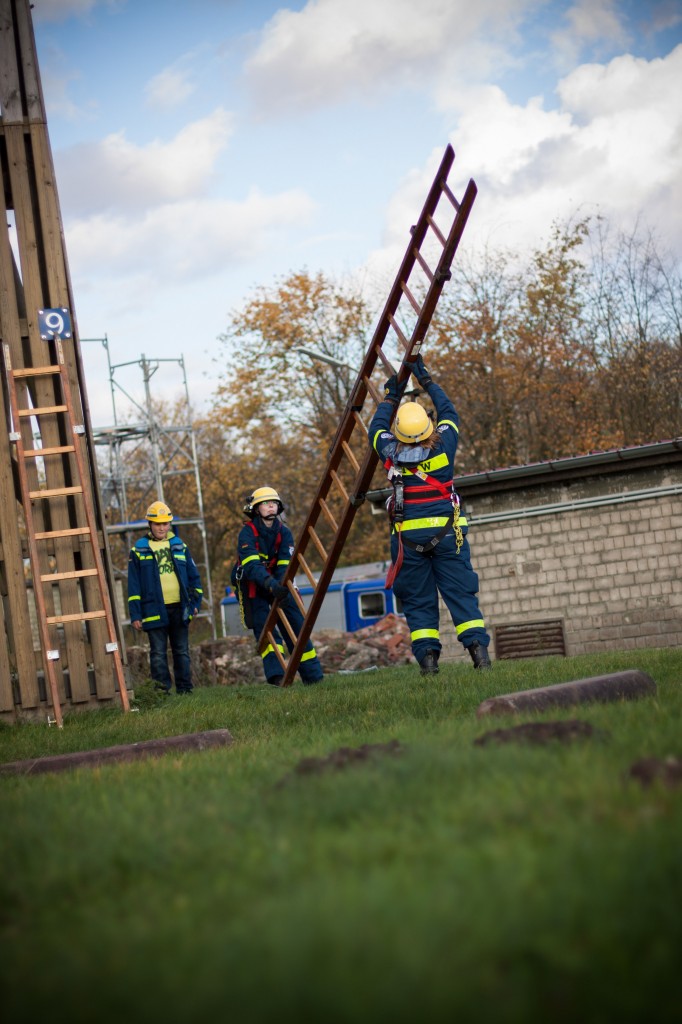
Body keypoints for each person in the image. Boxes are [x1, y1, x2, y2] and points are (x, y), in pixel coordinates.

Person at [369, 354, 492, 675]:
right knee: (461, 596)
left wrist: (391, 395)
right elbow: (450, 412)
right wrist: (427, 382)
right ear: (428, 425)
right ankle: (479, 657)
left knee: (419, 603)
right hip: (448, 536)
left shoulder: (388, 450)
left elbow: (376, 426)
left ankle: (428, 664)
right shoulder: (444, 444)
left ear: (399, 430)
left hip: (408, 542)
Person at [233, 486, 324, 686]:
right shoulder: (247, 534)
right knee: (265, 629)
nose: (271, 506)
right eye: (265, 503)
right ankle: (278, 677)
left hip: (279, 585)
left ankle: (313, 677)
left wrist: (281, 587)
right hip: (255, 586)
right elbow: (252, 567)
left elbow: (285, 565)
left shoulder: (285, 533)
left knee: (297, 625)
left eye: (274, 503)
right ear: (257, 509)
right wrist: (270, 585)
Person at [127, 500, 204, 694]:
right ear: (150, 525)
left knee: (182, 651)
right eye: (157, 524)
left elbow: (194, 577)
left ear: (169, 524)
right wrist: (135, 614)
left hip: (180, 607)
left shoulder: (180, 546)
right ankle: (161, 691)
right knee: (158, 653)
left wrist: (195, 603)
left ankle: (185, 689)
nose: (162, 528)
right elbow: (134, 585)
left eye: (165, 523)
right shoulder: (139, 550)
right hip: (153, 609)